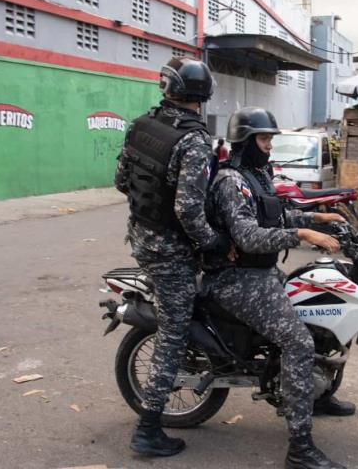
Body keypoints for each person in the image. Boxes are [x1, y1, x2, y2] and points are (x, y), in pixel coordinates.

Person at [202, 107, 350, 469]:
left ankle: (316, 396)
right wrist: (302, 234)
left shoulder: (257, 175)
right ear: (247, 141)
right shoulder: (230, 182)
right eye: (264, 139)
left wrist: (319, 217)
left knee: (319, 310)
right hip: (235, 279)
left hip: (261, 275)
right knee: (298, 342)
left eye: (270, 139)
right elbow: (248, 237)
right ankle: (299, 449)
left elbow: (276, 215)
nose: (269, 146)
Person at [114, 57, 231, 457]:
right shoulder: (193, 141)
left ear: (169, 88)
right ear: (203, 93)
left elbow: (120, 182)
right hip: (170, 249)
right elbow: (187, 211)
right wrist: (214, 241)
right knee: (173, 331)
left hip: (141, 237)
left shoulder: (140, 126)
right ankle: (147, 429)